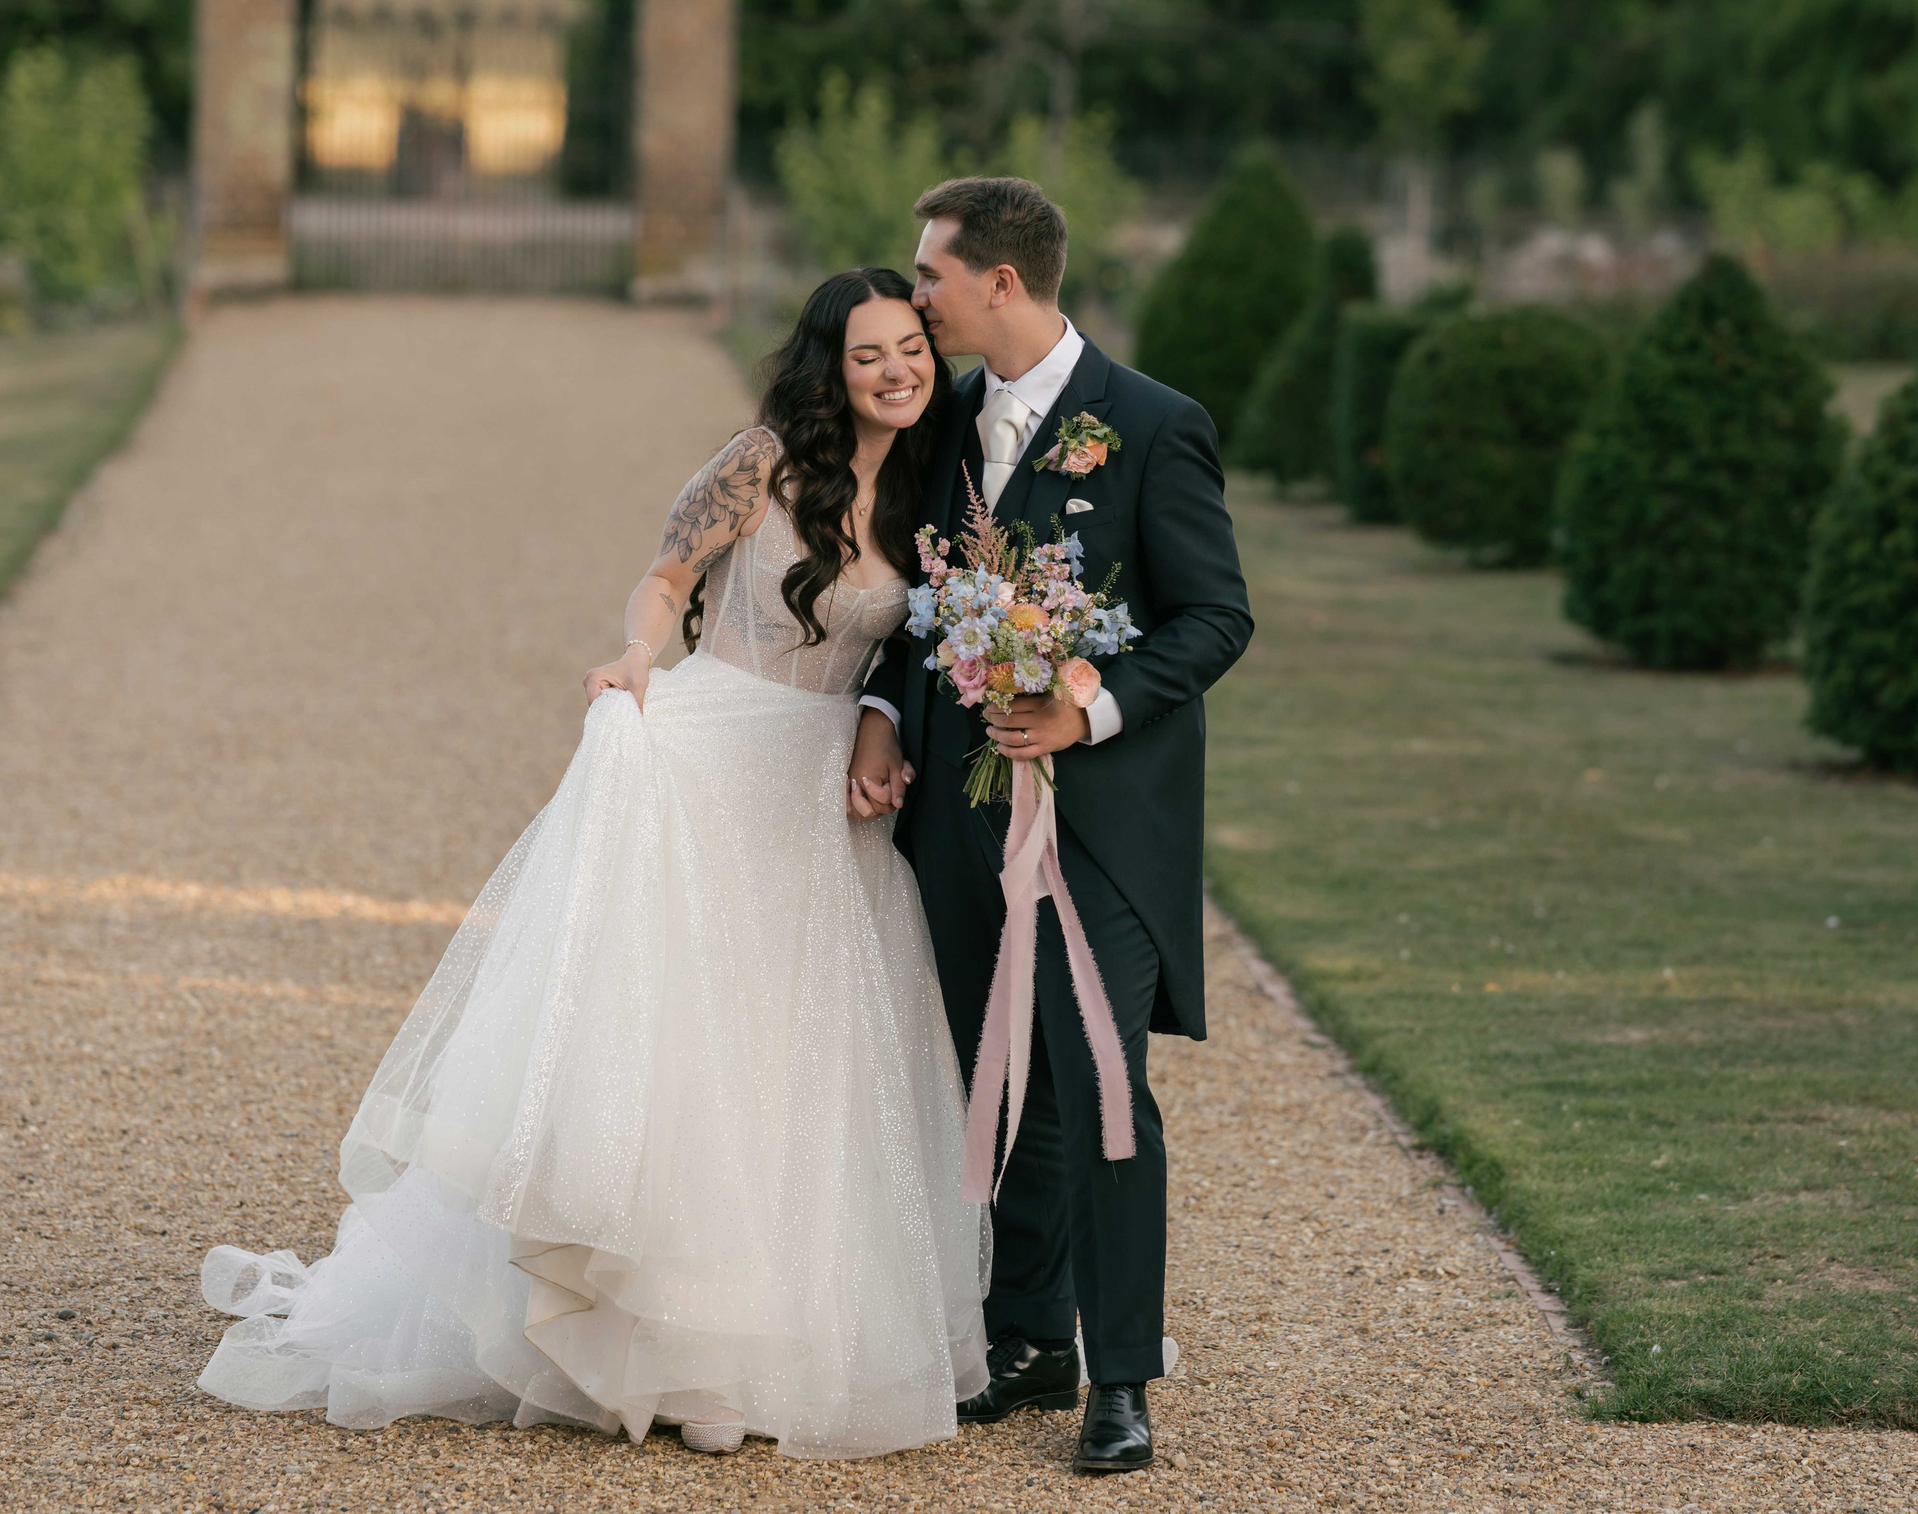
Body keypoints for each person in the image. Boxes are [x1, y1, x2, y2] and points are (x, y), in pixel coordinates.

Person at [193, 269, 989, 1461]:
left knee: (794, 1058)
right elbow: (667, 577)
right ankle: (665, 1350)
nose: (896, 371)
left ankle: (765, 1339)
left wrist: (878, 723)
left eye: (911, 349)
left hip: (822, 802)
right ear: (831, 364)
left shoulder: (938, 485)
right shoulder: (761, 461)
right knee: (681, 1048)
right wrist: (634, 657)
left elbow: (914, 653)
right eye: (870, 353)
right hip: (715, 755)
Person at [852, 176, 1254, 1474]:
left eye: (931, 277)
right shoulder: (942, 427)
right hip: (962, 823)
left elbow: (1214, 617)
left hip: (1102, 829)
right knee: (992, 1073)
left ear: (1001, 285)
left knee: (1101, 1091)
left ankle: (1118, 1378)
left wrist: (1088, 701)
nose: (916, 297)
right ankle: (1022, 1337)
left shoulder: (1152, 426)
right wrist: (877, 712)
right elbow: (904, 611)